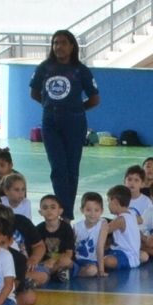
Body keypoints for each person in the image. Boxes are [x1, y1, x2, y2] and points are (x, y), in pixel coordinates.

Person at [29, 30, 99, 219]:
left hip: (75, 124)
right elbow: (34, 93)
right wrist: (50, 106)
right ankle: (63, 213)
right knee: (58, 168)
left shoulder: (80, 70)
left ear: (72, 46)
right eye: (55, 43)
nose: (59, 46)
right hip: (50, 124)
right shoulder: (44, 68)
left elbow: (94, 99)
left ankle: (66, 215)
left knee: (71, 169)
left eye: (63, 43)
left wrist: (75, 109)